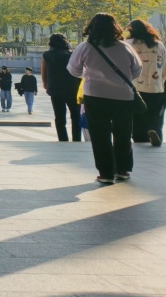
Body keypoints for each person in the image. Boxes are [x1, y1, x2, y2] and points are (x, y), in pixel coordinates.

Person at [67, 13, 142, 184]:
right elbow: (137, 70)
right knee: (123, 133)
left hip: (96, 95)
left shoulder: (85, 47)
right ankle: (123, 170)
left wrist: (88, 74)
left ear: (91, 28)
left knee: (100, 134)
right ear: (115, 27)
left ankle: (106, 173)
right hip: (124, 97)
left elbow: (73, 69)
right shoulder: (125, 47)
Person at [126, 19, 165, 147]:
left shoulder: (128, 44)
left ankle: (140, 138)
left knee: (137, 117)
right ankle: (156, 133)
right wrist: (160, 81)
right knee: (155, 117)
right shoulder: (159, 45)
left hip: (136, 87)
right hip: (156, 88)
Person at [42, 33, 79, 142]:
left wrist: (46, 84)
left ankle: (63, 139)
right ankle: (77, 139)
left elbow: (44, 72)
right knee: (75, 116)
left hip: (55, 90)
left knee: (59, 117)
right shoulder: (71, 54)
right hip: (72, 89)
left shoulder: (46, 55)